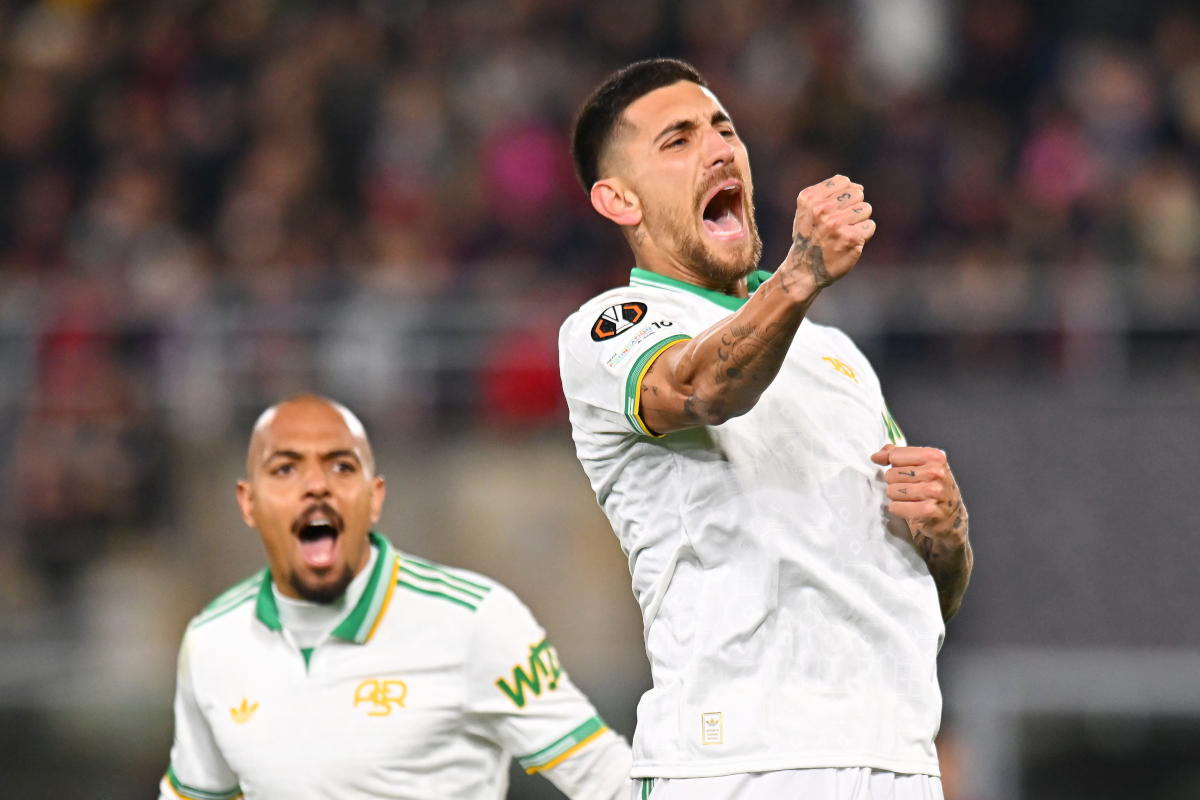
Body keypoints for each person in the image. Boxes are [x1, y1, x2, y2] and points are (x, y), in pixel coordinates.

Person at [558, 59, 972, 800]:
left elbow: (926, 590)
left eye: (724, 129)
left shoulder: (836, 354)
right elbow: (702, 389)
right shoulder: (608, 327)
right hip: (738, 763)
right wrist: (799, 276)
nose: (719, 149)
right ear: (619, 198)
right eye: (678, 139)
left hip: (897, 760)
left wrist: (946, 535)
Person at [159, 394, 632, 800]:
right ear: (248, 502)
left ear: (375, 497)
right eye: (285, 468)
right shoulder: (211, 641)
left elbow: (607, 779)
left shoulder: (474, 620)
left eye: (341, 466)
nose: (316, 486)